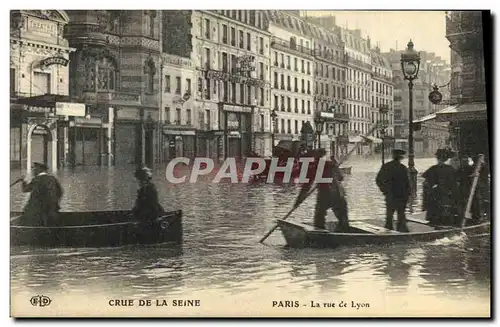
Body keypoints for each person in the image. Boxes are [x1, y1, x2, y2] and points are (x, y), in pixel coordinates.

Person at [294, 149, 350, 231]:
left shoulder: (313, 167)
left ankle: (320, 236)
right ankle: (344, 233)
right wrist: (335, 166)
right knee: (343, 220)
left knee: (319, 221)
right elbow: (341, 178)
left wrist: (298, 201)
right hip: (339, 194)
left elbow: (306, 187)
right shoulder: (329, 164)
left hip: (326, 194)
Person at [375, 149, 411, 232]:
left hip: (390, 194)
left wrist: (384, 190)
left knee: (389, 215)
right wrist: (408, 194)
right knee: (401, 215)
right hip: (401, 195)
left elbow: (378, 180)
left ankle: (388, 231)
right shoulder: (403, 168)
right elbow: (407, 183)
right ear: (401, 158)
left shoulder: (386, 166)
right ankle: (402, 232)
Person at [421, 149, 460, 226]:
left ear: (438, 158)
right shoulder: (451, 169)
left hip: (436, 197)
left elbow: (426, 184)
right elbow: (455, 185)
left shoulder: (433, 169)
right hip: (447, 197)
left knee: (436, 217)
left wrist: (426, 199)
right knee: (446, 216)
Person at [20, 162, 63, 226]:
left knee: (27, 212)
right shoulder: (52, 179)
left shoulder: (36, 179)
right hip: (52, 210)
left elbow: (25, 189)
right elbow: (60, 192)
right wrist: (55, 203)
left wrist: (23, 181)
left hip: (37, 210)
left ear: (39, 170)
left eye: (34, 169)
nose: (33, 171)